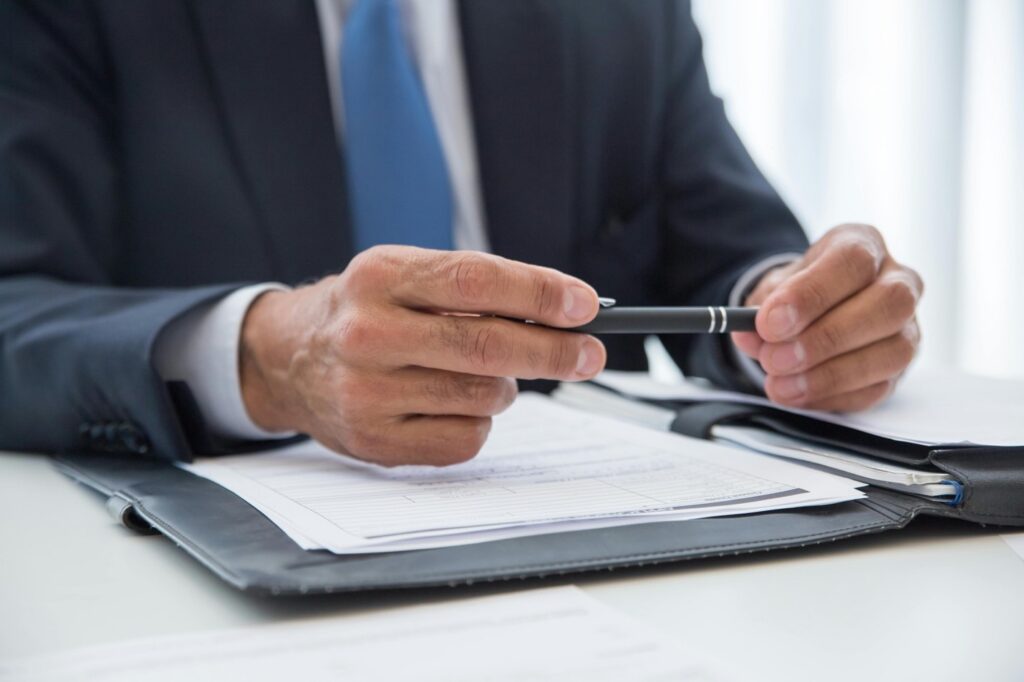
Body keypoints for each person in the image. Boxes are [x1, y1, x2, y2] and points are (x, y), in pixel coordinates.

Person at [0, 0, 922, 466]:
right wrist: (262, 355)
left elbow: (733, 254)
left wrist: (803, 316)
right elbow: (16, 303)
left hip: (609, 552)